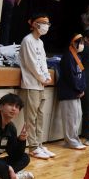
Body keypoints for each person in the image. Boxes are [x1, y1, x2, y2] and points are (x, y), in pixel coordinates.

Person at [18, 13, 54, 160]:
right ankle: (33, 147)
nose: (46, 25)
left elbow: (43, 62)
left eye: (48, 23)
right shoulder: (27, 40)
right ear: (34, 24)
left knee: (39, 116)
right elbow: (31, 63)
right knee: (31, 117)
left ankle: (39, 144)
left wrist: (47, 76)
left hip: (40, 85)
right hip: (30, 84)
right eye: (43, 22)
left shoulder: (40, 42)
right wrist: (42, 78)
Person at [57, 34, 87, 150]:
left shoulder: (78, 57)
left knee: (77, 117)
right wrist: (78, 89)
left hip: (76, 92)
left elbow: (82, 73)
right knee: (70, 118)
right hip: (69, 93)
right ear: (74, 43)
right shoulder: (68, 56)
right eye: (81, 43)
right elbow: (70, 76)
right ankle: (71, 141)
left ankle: (75, 139)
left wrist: (82, 88)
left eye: (83, 43)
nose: (82, 45)